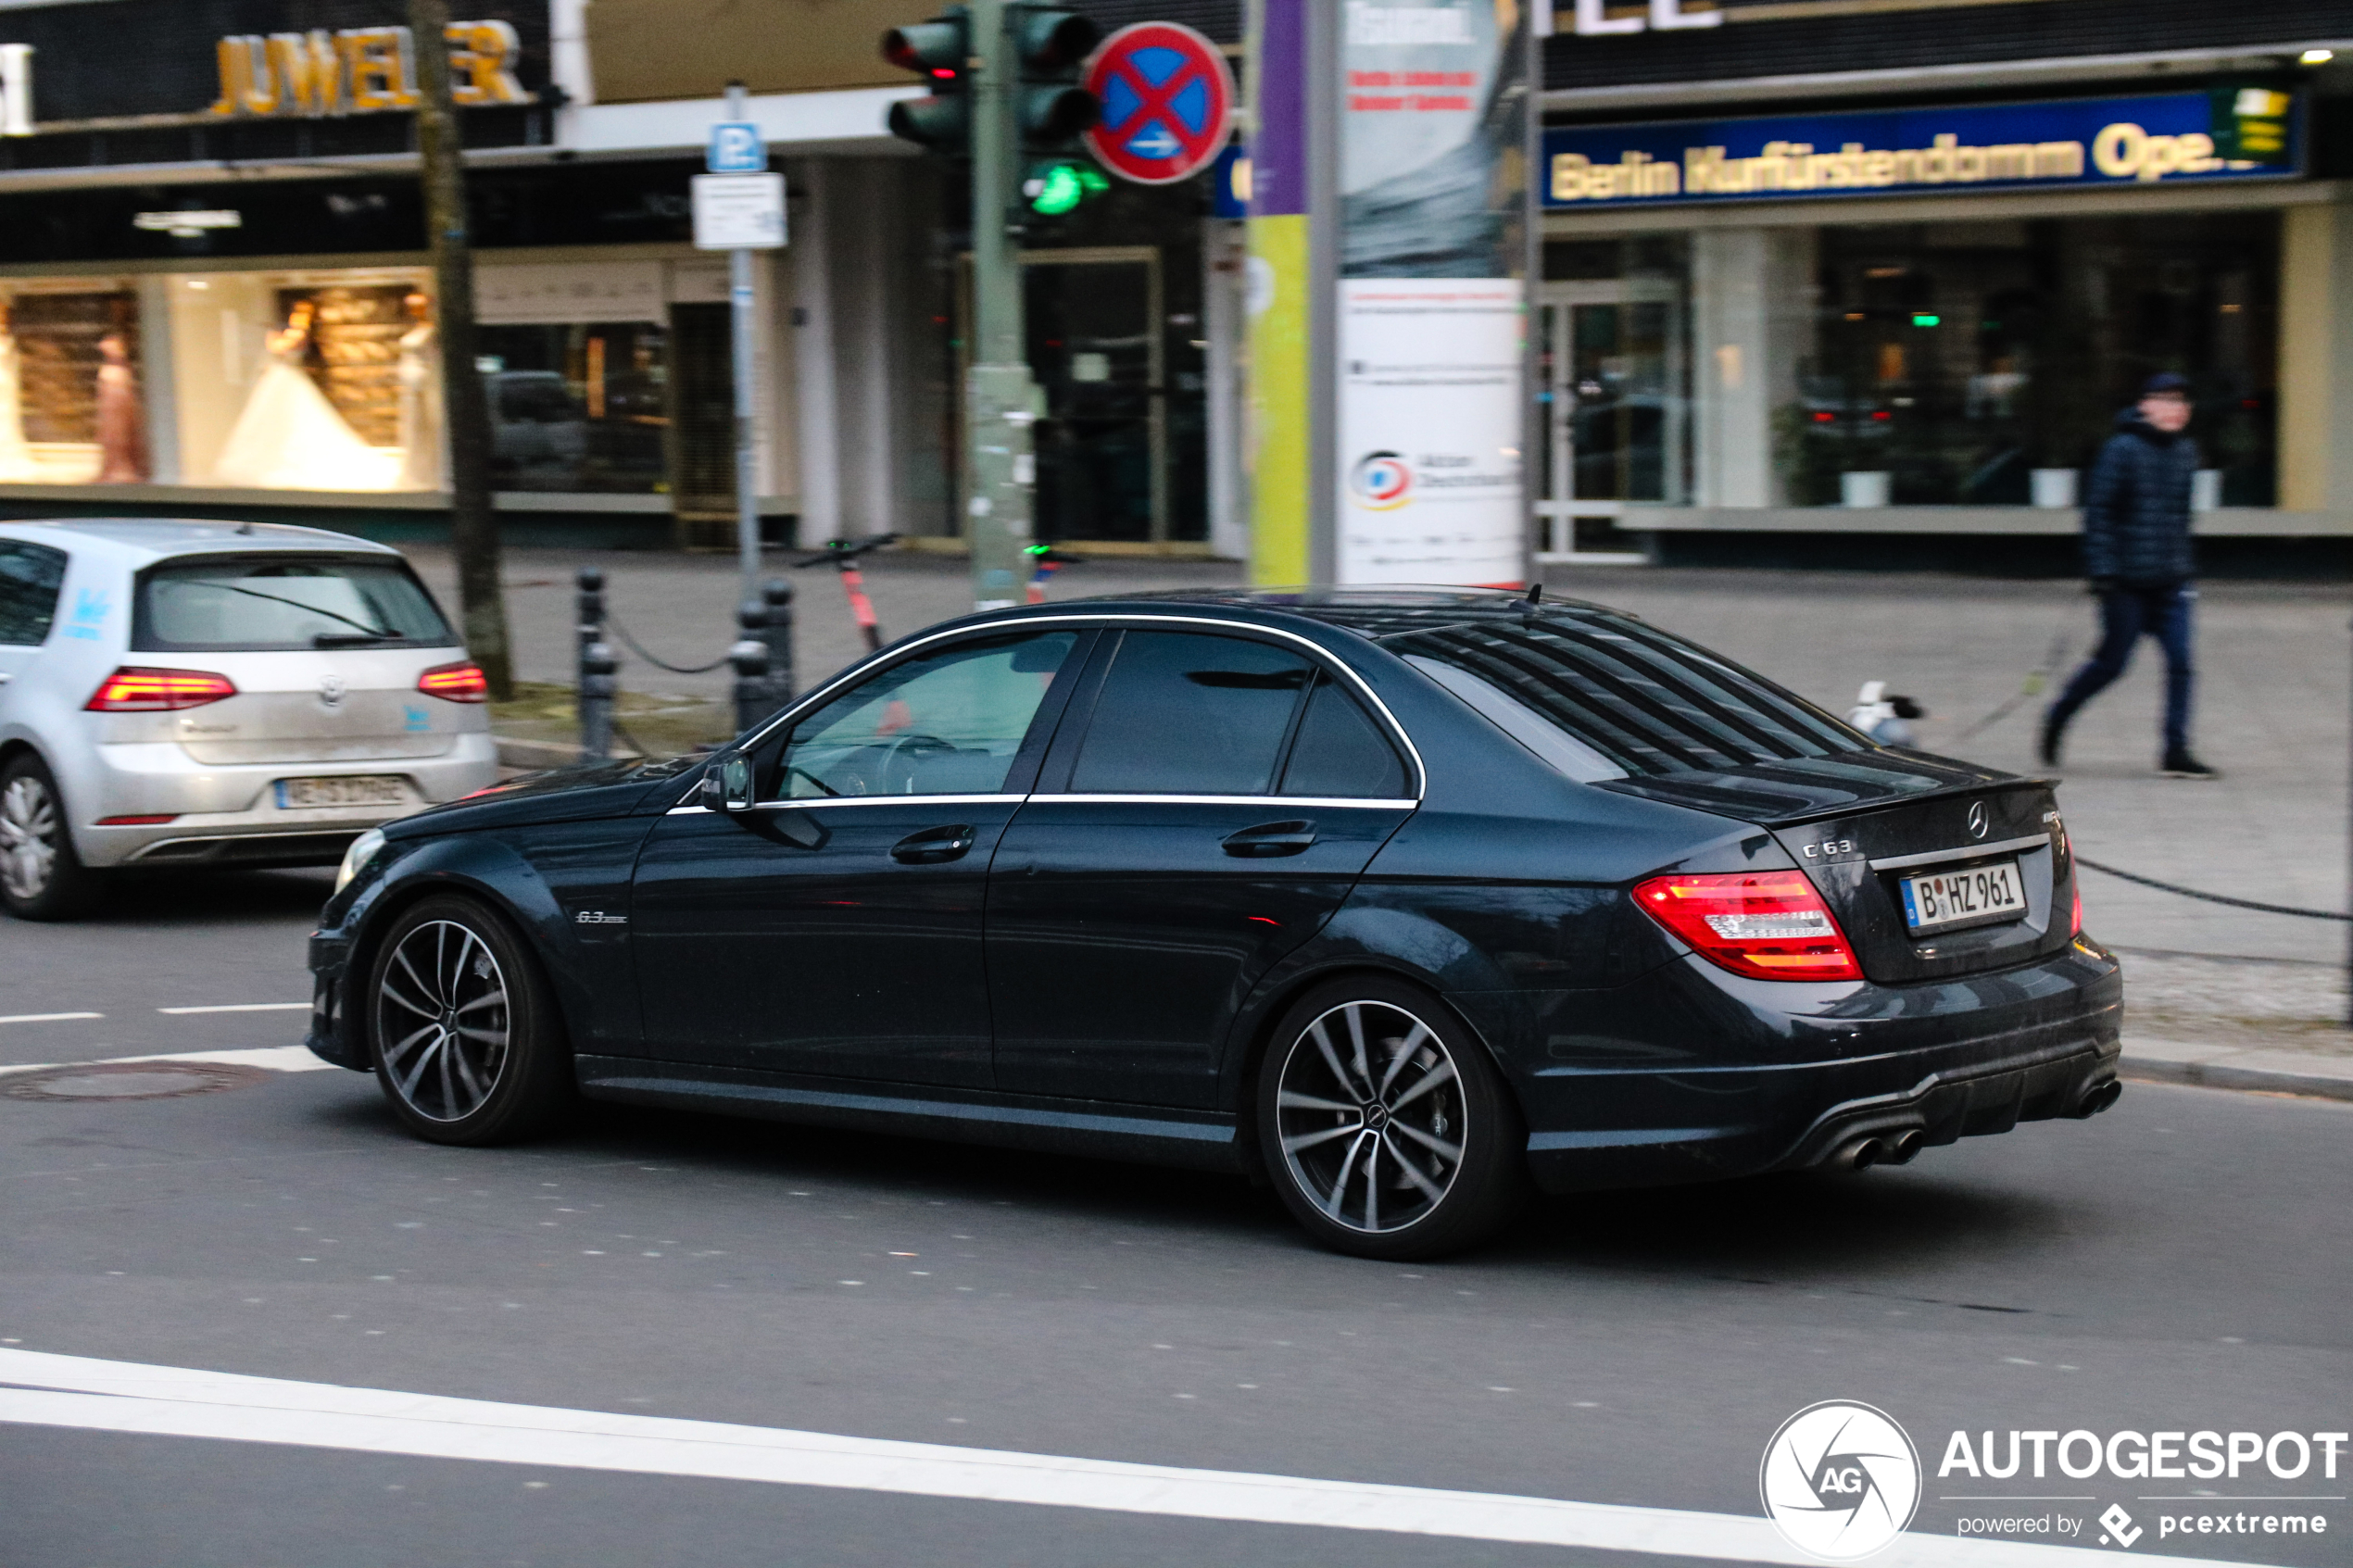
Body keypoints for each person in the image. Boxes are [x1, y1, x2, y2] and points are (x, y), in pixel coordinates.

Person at [2038, 371, 2217, 780]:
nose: (2176, 409)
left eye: (2182, 402)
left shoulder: (2186, 453)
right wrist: (2102, 572)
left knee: (2182, 662)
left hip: (2172, 581)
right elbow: (2099, 514)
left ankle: (2176, 749)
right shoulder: (2121, 450)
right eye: (2167, 400)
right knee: (2112, 663)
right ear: (2145, 405)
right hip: (2124, 582)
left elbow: (2181, 517)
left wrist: (2185, 566)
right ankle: (2060, 714)